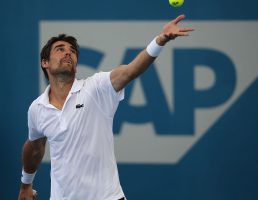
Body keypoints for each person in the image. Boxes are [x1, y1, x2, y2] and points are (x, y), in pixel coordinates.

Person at [18, 14, 193, 200]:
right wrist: (26, 184)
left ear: (76, 65)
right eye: (60, 49)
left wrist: (160, 40)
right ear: (44, 63)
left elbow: (131, 70)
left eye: (72, 51)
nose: (68, 53)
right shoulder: (37, 108)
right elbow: (35, 147)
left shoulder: (96, 88)